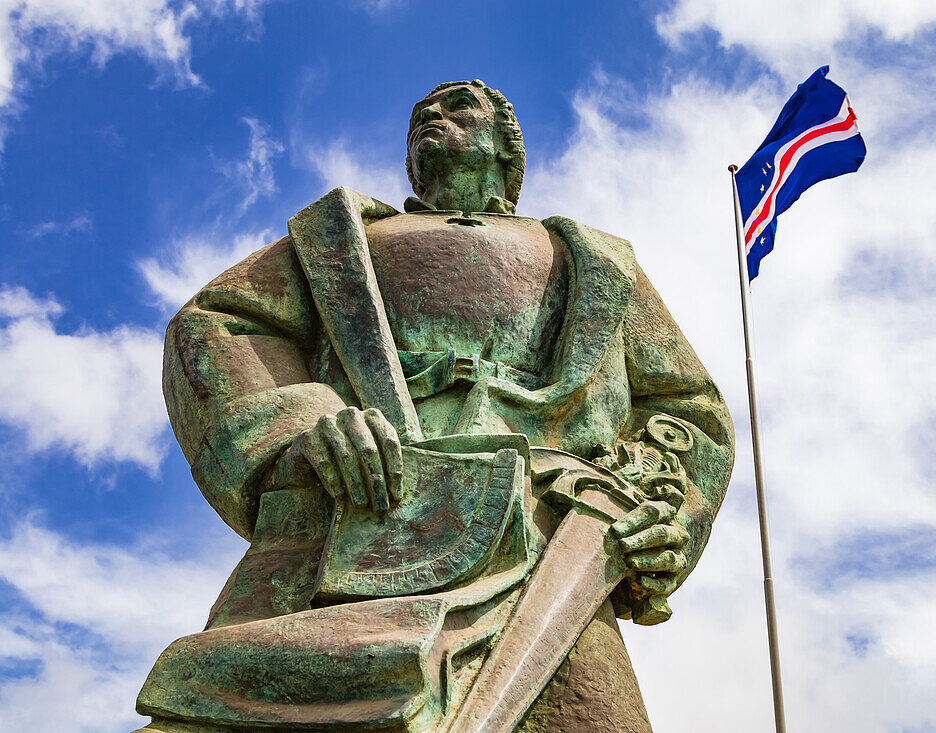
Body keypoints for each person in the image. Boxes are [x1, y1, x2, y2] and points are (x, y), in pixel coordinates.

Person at [137, 80, 733, 733]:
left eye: (458, 106)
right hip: (360, 506)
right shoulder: (348, 237)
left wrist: (661, 511)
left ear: (505, 141)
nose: (430, 114)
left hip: (551, 536)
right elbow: (216, 325)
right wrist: (309, 422)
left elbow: (687, 410)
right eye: (424, 111)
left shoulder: (595, 261)